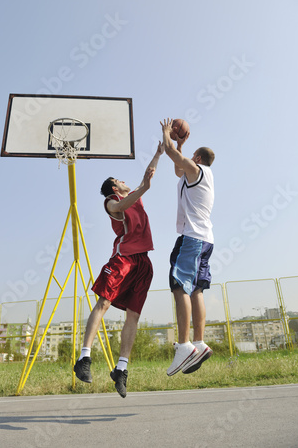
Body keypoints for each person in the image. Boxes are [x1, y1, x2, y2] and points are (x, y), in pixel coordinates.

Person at [74, 142, 164, 397]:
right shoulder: (112, 201)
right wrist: (143, 187)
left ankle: (121, 369)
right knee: (103, 303)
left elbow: (147, 178)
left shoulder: (133, 196)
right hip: (123, 259)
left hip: (143, 263)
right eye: (120, 180)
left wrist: (157, 153)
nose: (126, 182)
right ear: (115, 187)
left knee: (133, 316)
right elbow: (119, 208)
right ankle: (84, 358)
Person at [160, 118, 215, 376]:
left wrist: (166, 135)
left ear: (198, 159)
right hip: (204, 239)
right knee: (196, 290)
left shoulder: (197, 170)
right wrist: (180, 144)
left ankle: (184, 346)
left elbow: (171, 155)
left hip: (192, 238)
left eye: (192, 156)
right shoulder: (197, 175)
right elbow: (176, 168)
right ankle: (199, 342)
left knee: (178, 283)